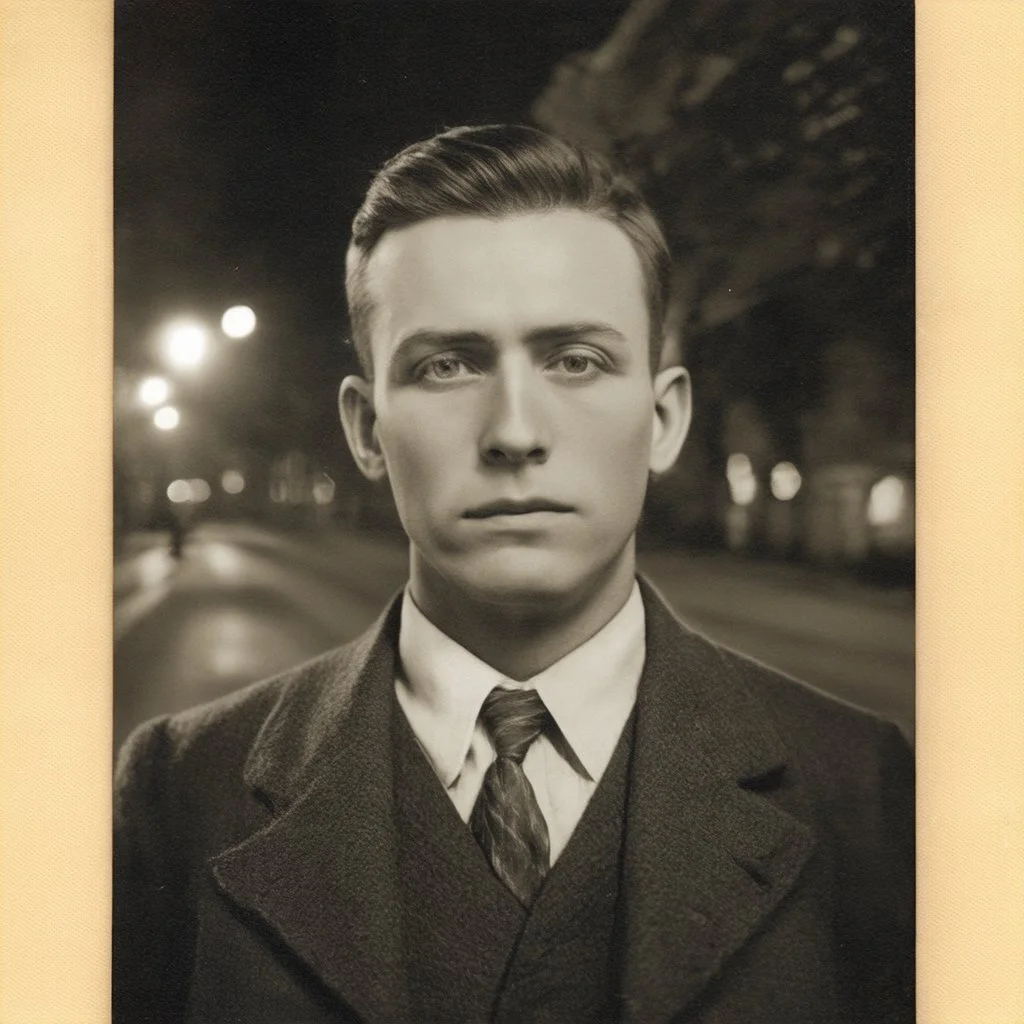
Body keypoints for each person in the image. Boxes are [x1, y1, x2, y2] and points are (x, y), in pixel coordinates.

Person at [113, 124, 914, 1024]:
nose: (514, 432)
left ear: (663, 418)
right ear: (367, 429)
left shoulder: (866, 790)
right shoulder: (179, 790)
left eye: (576, 360)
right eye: (446, 365)